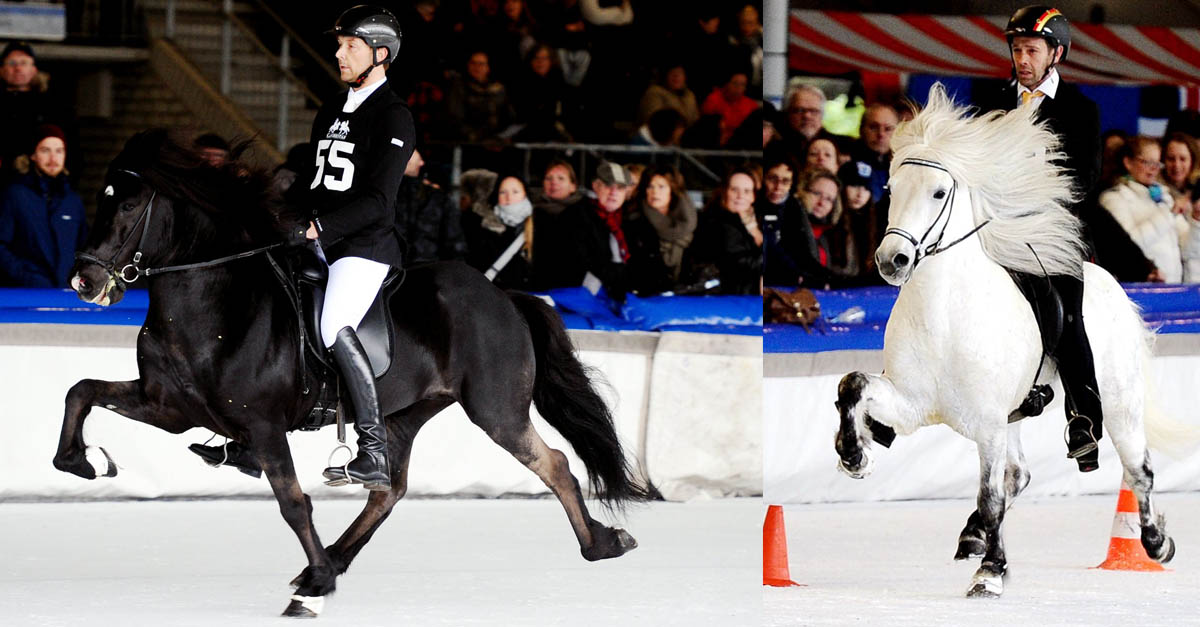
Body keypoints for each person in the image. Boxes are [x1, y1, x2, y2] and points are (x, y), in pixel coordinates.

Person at [194, 6, 415, 490]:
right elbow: (315, 185)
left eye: (350, 46)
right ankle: (251, 439)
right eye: (339, 44)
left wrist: (318, 228)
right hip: (320, 238)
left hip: (363, 248)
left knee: (334, 322)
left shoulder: (394, 115)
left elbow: (379, 201)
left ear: (380, 55)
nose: (339, 53)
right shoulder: (332, 108)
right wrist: (277, 213)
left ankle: (373, 449)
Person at [977, 5, 1111, 471]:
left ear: (1055, 52)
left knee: (1068, 315)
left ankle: (1084, 419)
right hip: (999, 226)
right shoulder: (992, 103)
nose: (1022, 59)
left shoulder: (1081, 110)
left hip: (1054, 228)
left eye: (1031, 49)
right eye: (1017, 49)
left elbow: (1084, 181)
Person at [536, 161, 661, 299]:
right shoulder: (576, 216)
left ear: (626, 192)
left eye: (620, 188)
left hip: (624, 296)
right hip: (581, 297)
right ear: (596, 186)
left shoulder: (630, 219)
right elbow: (584, 264)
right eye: (608, 185)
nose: (613, 193)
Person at [1099, 137, 1200, 283]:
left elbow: (1186, 251)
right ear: (1128, 162)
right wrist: (1169, 214)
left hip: (1173, 288)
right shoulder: (1114, 199)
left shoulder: (1164, 197)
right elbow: (1128, 248)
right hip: (1140, 286)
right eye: (1147, 162)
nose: (1154, 169)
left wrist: (1196, 220)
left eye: (1157, 163)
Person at [0, 124, 86, 287]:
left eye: (59, 151)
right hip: (24, 294)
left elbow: (83, 249)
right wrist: (27, 277)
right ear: (33, 155)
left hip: (65, 295)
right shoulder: (14, 195)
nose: (53, 159)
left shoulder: (72, 201)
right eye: (45, 150)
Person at [0, 41, 75, 179]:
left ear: (34, 69)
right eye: (12, 63)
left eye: (24, 63)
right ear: (1, 69)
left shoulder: (52, 105)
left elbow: (69, 145)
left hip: (39, 179)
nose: (18, 68)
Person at [690, 167, 762, 295]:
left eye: (747, 191)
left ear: (754, 196)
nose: (740, 196)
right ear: (724, 192)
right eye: (734, 190)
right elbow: (741, 264)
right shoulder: (717, 222)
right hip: (726, 302)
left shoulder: (751, 222)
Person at [462, 171, 537, 289]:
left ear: (525, 195)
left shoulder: (540, 226)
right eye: (503, 192)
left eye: (515, 192)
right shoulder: (481, 227)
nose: (509, 197)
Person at [625, 165, 697, 284]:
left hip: (688, 294)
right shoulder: (634, 222)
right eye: (650, 186)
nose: (655, 192)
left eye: (661, 187)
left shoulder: (692, 220)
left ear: (672, 189)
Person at [395, 148, 467, 264]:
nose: (421, 162)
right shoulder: (439, 199)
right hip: (428, 269)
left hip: (390, 269)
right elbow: (454, 244)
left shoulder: (385, 195)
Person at [838, 159, 886, 283]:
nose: (860, 193)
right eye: (854, 185)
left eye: (866, 188)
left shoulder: (876, 223)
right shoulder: (830, 220)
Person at [847, 103, 898, 203]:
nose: (881, 134)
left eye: (888, 129)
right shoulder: (847, 161)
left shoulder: (902, 167)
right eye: (874, 127)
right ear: (861, 130)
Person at [700, 70, 759, 146]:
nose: (738, 87)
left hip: (741, 143)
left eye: (742, 84)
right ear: (727, 84)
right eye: (735, 83)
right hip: (716, 143)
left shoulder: (751, 105)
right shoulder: (713, 99)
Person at [636, 61, 700, 127]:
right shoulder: (654, 93)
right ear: (665, 76)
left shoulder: (689, 95)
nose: (676, 76)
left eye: (680, 73)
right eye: (672, 72)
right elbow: (654, 123)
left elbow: (695, 120)